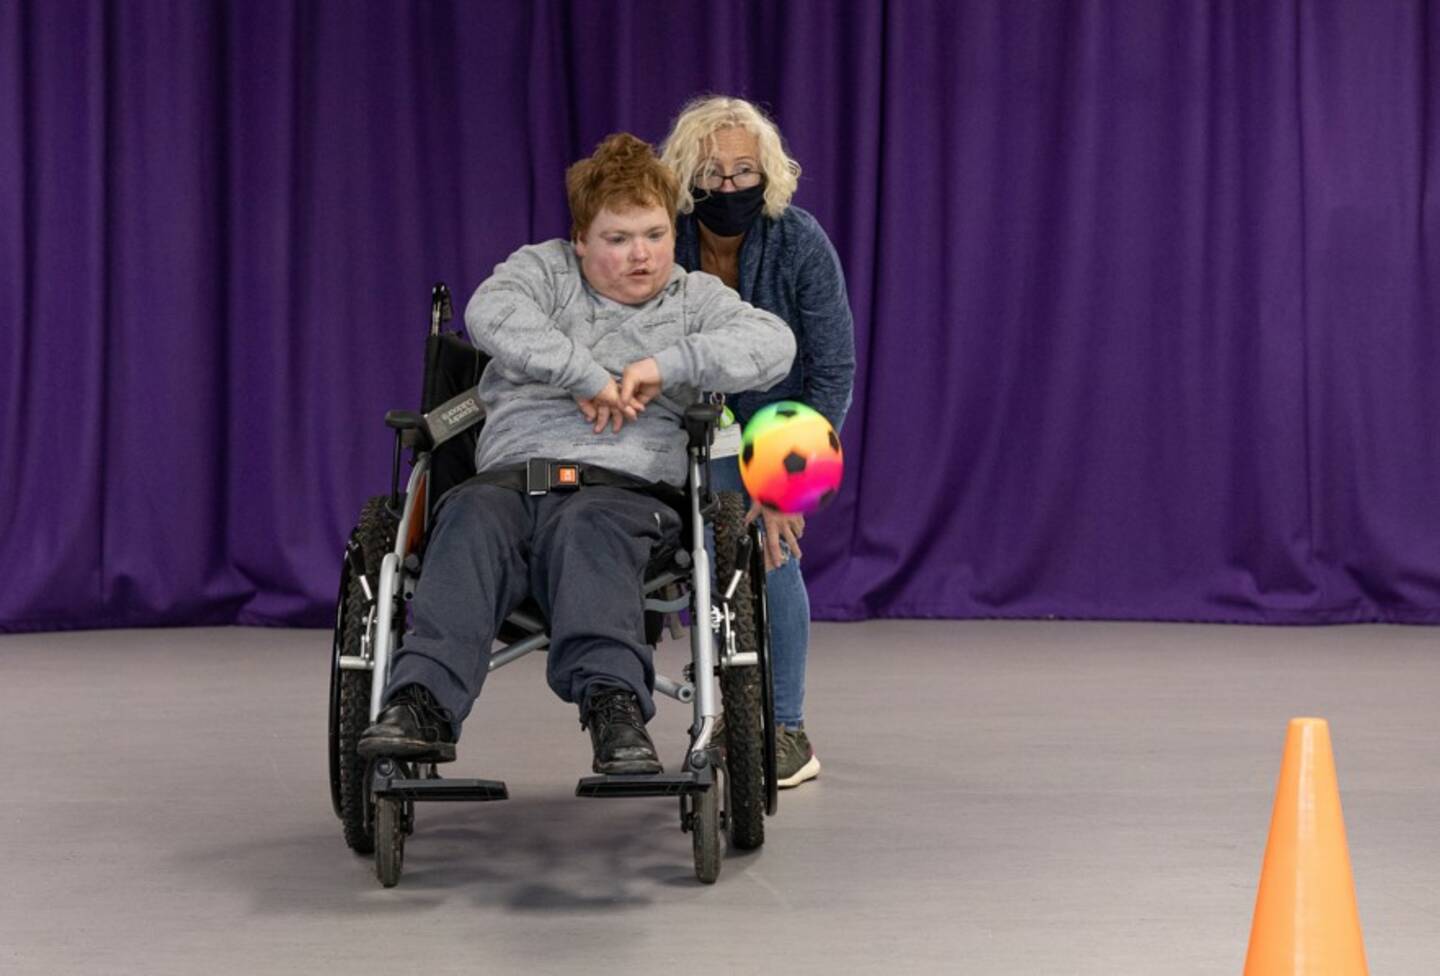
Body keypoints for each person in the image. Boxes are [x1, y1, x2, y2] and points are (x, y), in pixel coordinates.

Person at [358, 133, 795, 776]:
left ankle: (615, 705)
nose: (641, 255)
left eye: (653, 234)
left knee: (589, 524)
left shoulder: (692, 300)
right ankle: (420, 703)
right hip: (509, 483)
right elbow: (490, 313)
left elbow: (773, 344)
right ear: (582, 240)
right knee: (469, 517)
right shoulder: (543, 272)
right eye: (617, 239)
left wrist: (664, 364)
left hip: (624, 494)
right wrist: (582, 375)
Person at [660, 96, 855, 788]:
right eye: (712, 172)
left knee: (768, 550)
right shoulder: (665, 237)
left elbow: (833, 370)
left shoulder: (800, 241)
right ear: (686, 175)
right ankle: (717, 712)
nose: (729, 187)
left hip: (776, 429)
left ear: (767, 174)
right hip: (677, 425)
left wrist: (784, 487)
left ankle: (786, 731)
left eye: (744, 171)